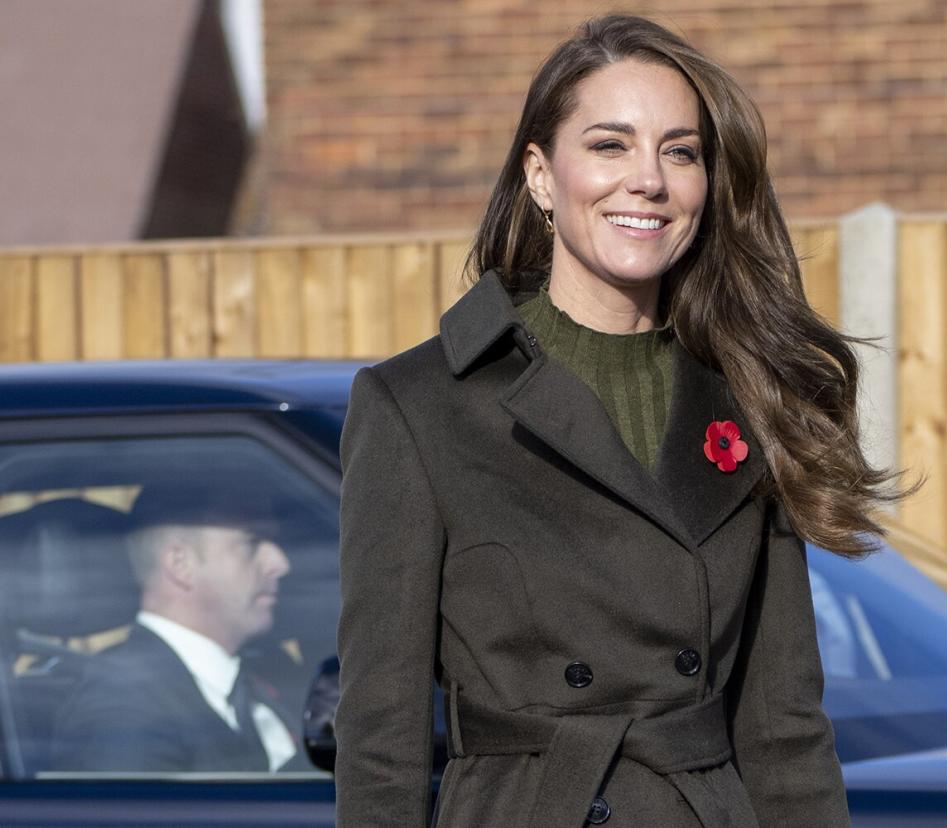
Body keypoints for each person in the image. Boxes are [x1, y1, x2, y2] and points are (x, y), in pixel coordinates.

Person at [336, 14, 899, 827]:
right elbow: (379, 740)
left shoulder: (749, 396)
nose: (649, 181)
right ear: (540, 175)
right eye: (609, 146)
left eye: (680, 152)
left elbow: (784, 730)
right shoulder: (421, 406)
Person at [53, 485, 299, 773]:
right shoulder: (124, 713)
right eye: (252, 542)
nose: (281, 564)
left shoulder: (271, 676)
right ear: (181, 565)